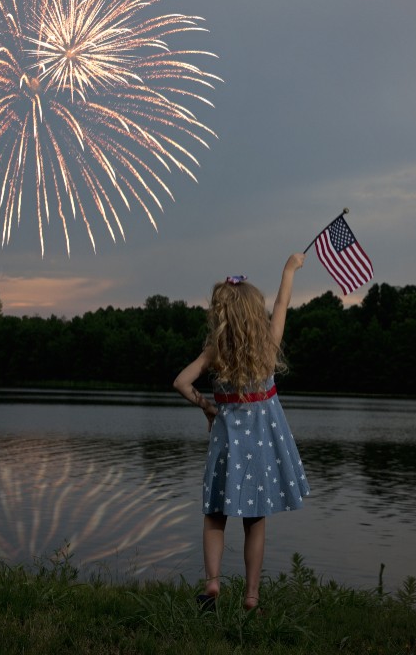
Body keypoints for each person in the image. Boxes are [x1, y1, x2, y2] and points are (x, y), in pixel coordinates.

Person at [173, 253, 311, 612]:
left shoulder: (215, 352)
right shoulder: (267, 346)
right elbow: (283, 302)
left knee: (215, 516)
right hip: (261, 450)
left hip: (227, 447)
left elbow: (181, 382)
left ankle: (213, 583)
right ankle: (251, 596)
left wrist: (206, 407)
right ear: (254, 312)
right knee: (255, 521)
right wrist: (289, 269)